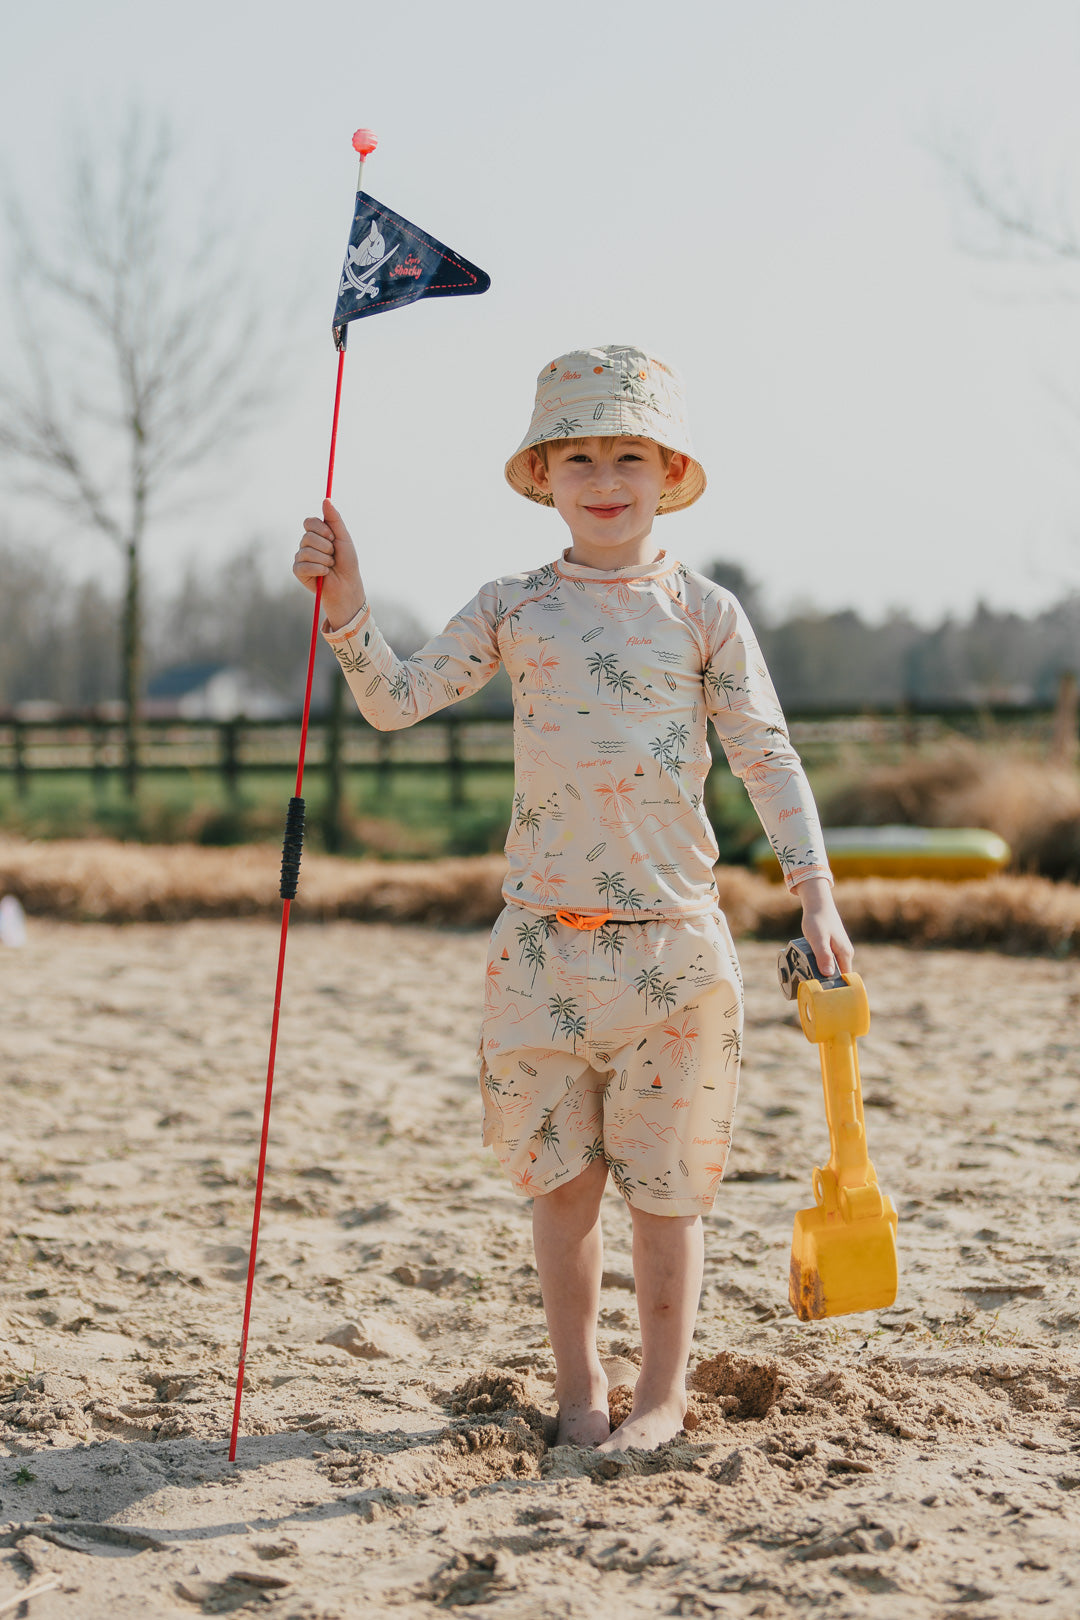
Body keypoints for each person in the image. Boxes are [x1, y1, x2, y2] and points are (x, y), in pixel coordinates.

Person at [293, 344, 852, 1453]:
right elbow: (399, 702)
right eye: (580, 454)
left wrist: (815, 892)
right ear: (543, 473)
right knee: (561, 1190)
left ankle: (660, 1396)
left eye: (628, 454)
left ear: (669, 471)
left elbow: (767, 757)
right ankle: (581, 1391)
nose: (605, 476)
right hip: (541, 952)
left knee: (667, 1195)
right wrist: (348, 607)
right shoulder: (515, 606)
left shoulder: (706, 613)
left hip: (676, 953)